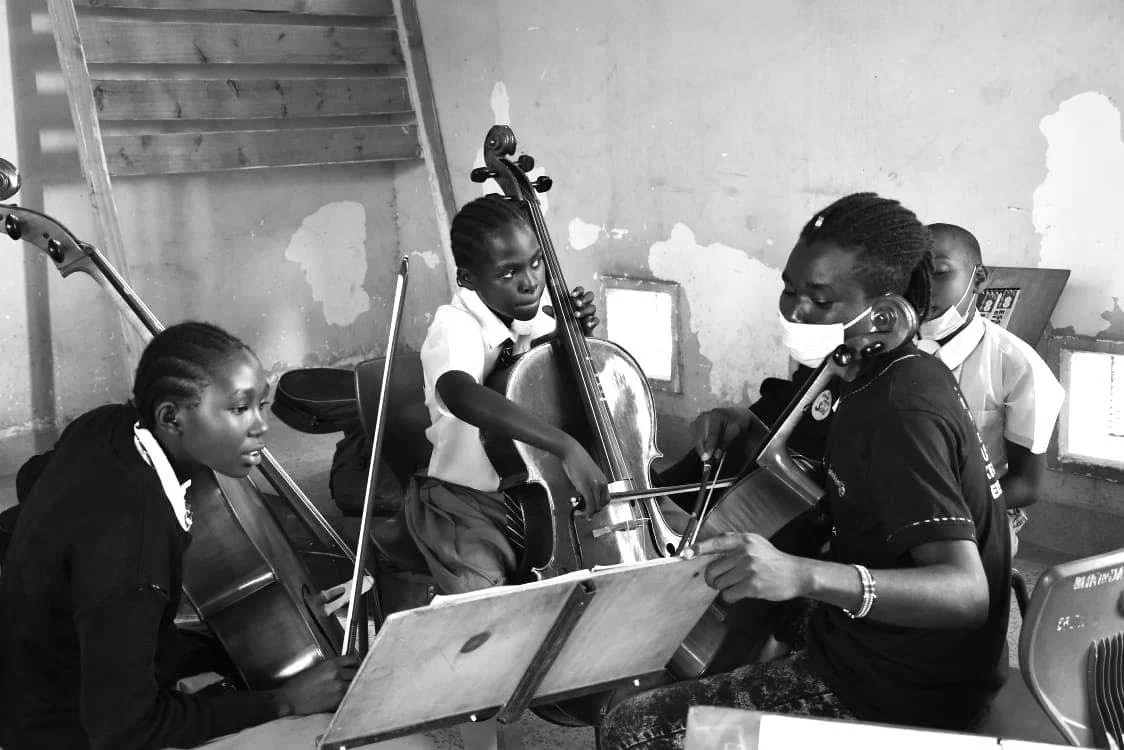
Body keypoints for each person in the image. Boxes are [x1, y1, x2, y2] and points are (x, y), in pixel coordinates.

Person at [600, 193, 1011, 749]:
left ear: (883, 315)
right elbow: (800, 418)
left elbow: (966, 594)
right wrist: (743, 420)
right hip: (866, 635)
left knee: (632, 725)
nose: (794, 312)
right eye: (790, 290)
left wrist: (800, 575)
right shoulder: (861, 365)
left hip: (906, 685)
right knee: (733, 602)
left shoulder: (901, 411)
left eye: (818, 299)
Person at [0, 322, 360, 750]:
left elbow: (31, 478)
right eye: (240, 409)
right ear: (171, 417)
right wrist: (283, 701)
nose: (261, 426)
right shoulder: (135, 545)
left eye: (262, 405)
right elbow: (127, 728)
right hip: (58, 730)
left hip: (28, 661)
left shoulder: (106, 426)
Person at [405, 194, 610, 596]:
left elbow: (539, 384)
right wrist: (566, 446)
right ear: (468, 279)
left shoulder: (538, 313)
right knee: (489, 608)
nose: (530, 281)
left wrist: (573, 339)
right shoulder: (455, 325)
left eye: (536, 262)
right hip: (470, 502)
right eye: (508, 272)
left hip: (543, 490)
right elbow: (460, 392)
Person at [920, 223, 1065, 553]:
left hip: (984, 508)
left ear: (979, 279)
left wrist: (942, 519)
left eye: (939, 273)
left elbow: (1026, 485)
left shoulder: (1016, 366)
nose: (923, 287)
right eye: (912, 275)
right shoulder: (894, 349)